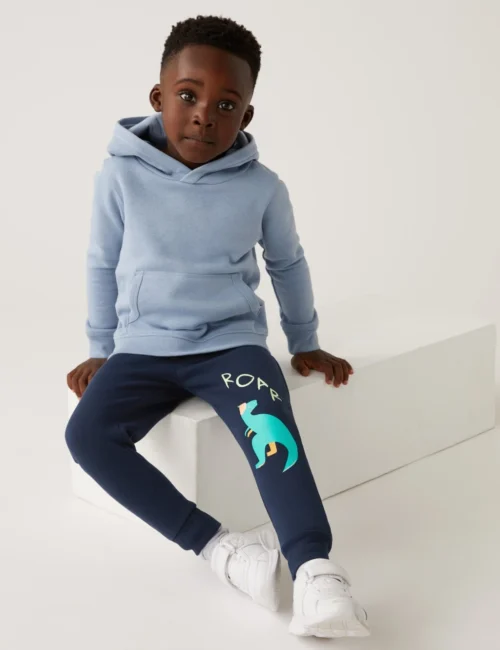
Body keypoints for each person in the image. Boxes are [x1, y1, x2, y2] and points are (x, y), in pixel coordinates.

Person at [65, 15, 370, 639]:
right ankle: (224, 551)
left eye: (226, 105)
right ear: (158, 97)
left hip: (230, 346)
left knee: (271, 435)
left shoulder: (262, 188)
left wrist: (305, 341)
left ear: (246, 115)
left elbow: (287, 263)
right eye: (188, 95)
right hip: (144, 349)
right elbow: (101, 260)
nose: (204, 115)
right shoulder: (119, 175)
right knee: (87, 437)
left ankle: (316, 571)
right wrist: (101, 347)